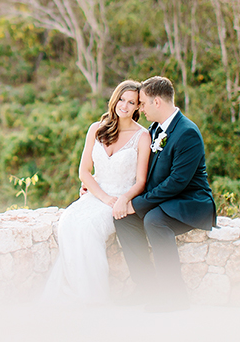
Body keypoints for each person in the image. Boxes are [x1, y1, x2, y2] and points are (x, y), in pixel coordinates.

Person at [42, 80, 151, 302]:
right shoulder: (96, 128)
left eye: (131, 102)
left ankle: (92, 296)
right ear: (114, 99)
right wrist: (101, 196)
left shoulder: (143, 136)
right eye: (121, 99)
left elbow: (141, 181)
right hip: (96, 195)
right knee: (68, 222)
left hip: (121, 198)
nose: (125, 105)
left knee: (88, 229)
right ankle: (73, 289)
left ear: (138, 107)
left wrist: (121, 200)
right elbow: (84, 172)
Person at [113, 76, 216, 311]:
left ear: (157, 102)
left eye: (142, 103)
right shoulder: (155, 129)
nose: (140, 108)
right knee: (122, 217)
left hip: (191, 202)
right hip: (165, 199)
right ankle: (147, 288)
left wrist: (137, 204)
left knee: (154, 221)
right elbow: (140, 170)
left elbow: (177, 182)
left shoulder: (187, 132)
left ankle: (175, 296)